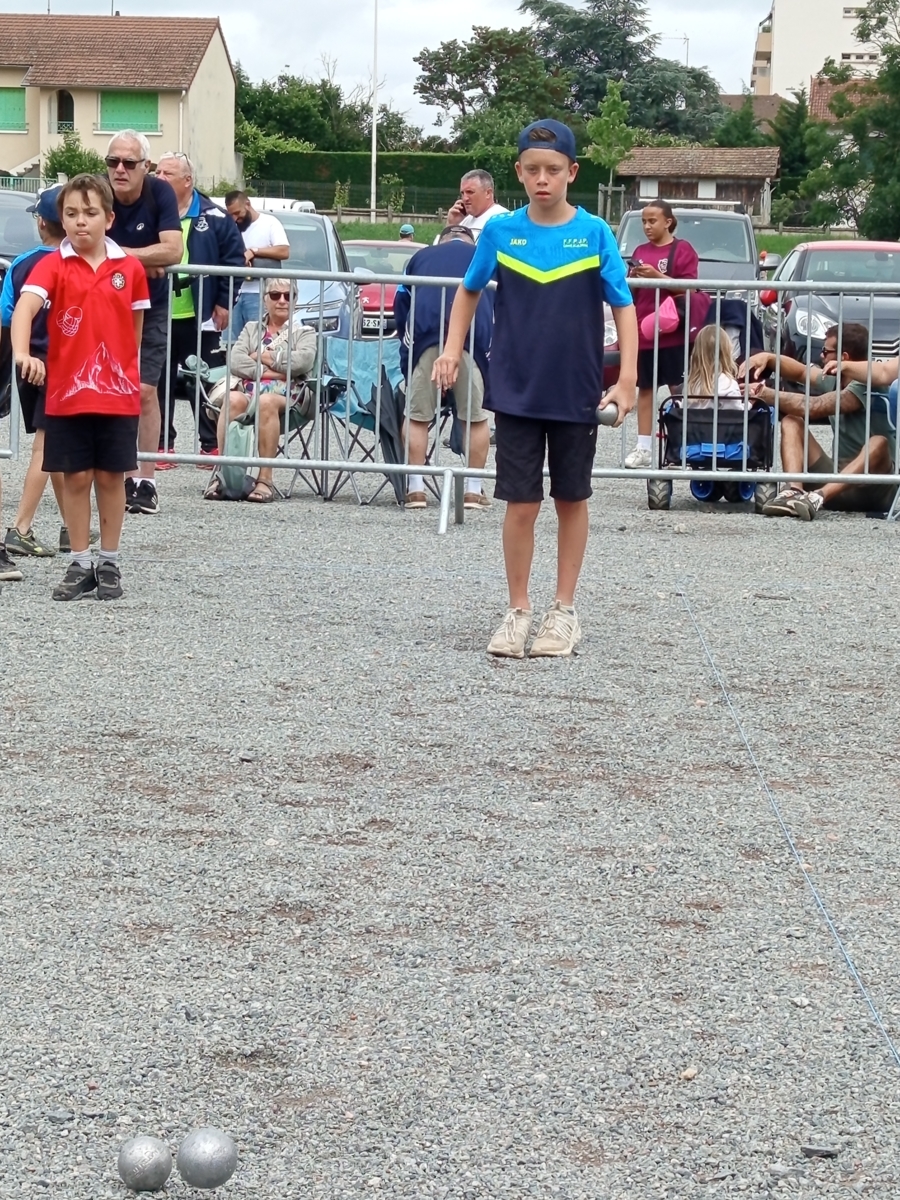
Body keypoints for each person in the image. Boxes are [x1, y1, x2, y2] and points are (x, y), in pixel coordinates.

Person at [432, 119, 638, 659]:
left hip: (576, 390)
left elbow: (624, 306)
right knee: (520, 504)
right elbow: (468, 291)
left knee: (571, 498)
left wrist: (628, 380)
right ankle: (518, 610)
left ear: (572, 172)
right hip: (517, 390)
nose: (542, 178)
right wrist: (451, 349)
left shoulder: (595, 232)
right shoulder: (501, 232)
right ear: (519, 173)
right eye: (532, 170)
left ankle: (564, 611)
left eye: (553, 169)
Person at [11, 173, 150, 600]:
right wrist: (23, 353)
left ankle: (109, 561)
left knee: (110, 477)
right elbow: (25, 309)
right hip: (66, 393)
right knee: (74, 477)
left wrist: (125, 372)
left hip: (116, 394)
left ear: (109, 218)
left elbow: (134, 330)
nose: (79, 222)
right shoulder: (52, 264)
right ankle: (80, 561)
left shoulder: (130, 268)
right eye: (71, 213)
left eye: (89, 213)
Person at [745, 323, 898, 518]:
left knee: (878, 443)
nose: (821, 356)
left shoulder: (867, 384)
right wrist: (768, 358)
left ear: (844, 358)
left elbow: (814, 406)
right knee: (792, 421)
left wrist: (766, 394)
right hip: (838, 482)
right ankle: (793, 493)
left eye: (826, 351)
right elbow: (801, 372)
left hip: (876, 490)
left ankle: (817, 497)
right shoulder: (837, 378)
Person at [106, 129, 183, 515]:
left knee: (144, 392)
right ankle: (122, 475)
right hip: (105, 306)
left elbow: (174, 250)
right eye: (113, 162)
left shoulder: (160, 192)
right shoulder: (98, 193)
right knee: (111, 392)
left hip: (150, 306)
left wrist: (121, 257)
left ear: (145, 167)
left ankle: (147, 480)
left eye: (129, 163)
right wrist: (142, 260)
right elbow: (81, 243)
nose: (120, 169)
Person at [153, 152, 246, 466]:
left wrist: (224, 302)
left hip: (201, 314)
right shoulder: (150, 211)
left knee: (204, 381)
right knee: (159, 380)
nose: (158, 178)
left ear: (187, 180)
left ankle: (210, 445)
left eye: (166, 174)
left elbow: (234, 261)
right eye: (157, 172)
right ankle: (161, 446)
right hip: (159, 312)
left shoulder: (215, 216)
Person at [394, 225, 494, 511]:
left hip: (426, 334)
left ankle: (415, 488)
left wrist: (408, 350)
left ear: (442, 239)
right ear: (470, 241)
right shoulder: (486, 255)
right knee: (474, 417)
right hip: (472, 338)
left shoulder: (420, 257)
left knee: (417, 415)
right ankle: (473, 490)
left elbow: (401, 302)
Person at [205, 280, 316, 503]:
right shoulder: (251, 328)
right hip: (249, 393)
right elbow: (236, 361)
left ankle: (265, 480)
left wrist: (260, 356)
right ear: (265, 299)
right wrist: (276, 371)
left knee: (266, 401)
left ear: (295, 300)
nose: (282, 300)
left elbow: (302, 362)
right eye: (275, 295)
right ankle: (224, 475)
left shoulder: (305, 332)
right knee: (233, 398)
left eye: (288, 295)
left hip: (289, 399)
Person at [0, 186, 66, 561]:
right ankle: (21, 528)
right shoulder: (76, 264)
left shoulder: (23, 263)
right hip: (62, 365)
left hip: (27, 363)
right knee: (47, 446)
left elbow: (7, 314)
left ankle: (69, 526)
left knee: (51, 444)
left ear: (41, 222)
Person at [624, 201, 702, 469]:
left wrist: (657, 276)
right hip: (644, 332)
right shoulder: (639, 251)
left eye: (652, 221)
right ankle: (644, 448)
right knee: (645, 389)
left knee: (678, 390)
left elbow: (691, 289)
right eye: (644, 221)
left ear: (668, 222)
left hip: (674, 333)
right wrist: (633, 278)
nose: (647, 226)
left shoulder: (682, 249)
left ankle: (683, 445)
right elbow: (631, 291)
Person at [224, 192, 290, 337]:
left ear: (247, 204)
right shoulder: (230, 227)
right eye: (231, 215)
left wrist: (254, 252)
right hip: (232, 293)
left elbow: (284, 251)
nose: (235, 218)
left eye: (237, 213)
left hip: (259, 293)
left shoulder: (270, 223)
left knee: (260, 341)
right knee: (231, 344)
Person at [686, 326, 744, 410]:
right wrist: (751, 402)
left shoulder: (690, 387)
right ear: (726, 354)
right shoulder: (728, 385)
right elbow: (736, 414)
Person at [445, 170, 509, 241]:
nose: (465, 198)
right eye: (462, 193)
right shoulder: (464, 221)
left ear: (488, 193)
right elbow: (446, 247)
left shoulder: (503, 220)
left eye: (470, 192)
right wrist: (451, 225)